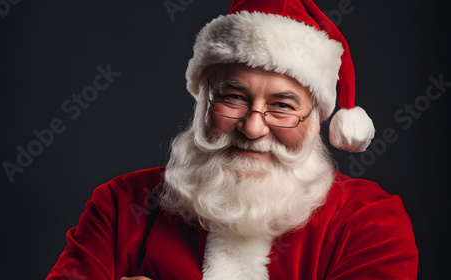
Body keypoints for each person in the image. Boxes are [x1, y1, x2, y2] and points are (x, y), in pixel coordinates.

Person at [46, 0, 418, 279]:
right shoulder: (120, 204)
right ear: (203, 103)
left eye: (283, 105)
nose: (253, 128)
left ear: (318, 119)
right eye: (234, 97)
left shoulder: (370, 221)